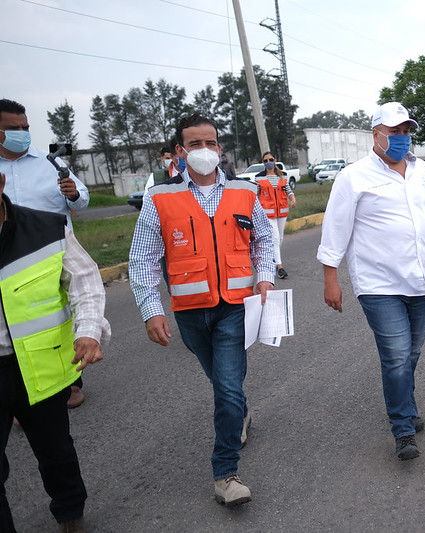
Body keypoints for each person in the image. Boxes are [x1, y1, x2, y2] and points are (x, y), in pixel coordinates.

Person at [129, 114, 275, 506]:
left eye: (210, 142)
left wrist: (265, 277)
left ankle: (225, 474)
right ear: (180, 152)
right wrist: (150, 309)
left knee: (226, 386)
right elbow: (142, 258)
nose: (204, 151)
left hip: (236, 307)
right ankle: (239, 413)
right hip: (190, 312)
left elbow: (263, 238)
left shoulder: (245, 191)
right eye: (194, 144)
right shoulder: (159, 197)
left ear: (220, 148)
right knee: (224, 384)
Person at [318, 102, 425, 460]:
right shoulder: (353, 177)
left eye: (406, 131)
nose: (401, 138)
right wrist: (330, 278)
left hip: (419, 280)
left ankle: (405, 404)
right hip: (377, 283)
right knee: (396, 355)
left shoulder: (422, 169)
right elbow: (335, 229)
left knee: (411, 352)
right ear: (375, 134)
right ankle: (403, 428)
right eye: (394, 131)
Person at [0, 171, 110, 533]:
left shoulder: (48, 228)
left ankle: (71, 514)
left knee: (56, 453)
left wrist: (89, 331)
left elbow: (85, 282)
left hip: (41, 367)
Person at [0, 98, 91, 410]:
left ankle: (70, 381)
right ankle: (20, 391)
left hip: (54, 255)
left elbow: (81, 201)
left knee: (56, 317)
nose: (23, 133)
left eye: (26, 127)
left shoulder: (47, 162)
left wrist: (75, 194)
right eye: (13, 129)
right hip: (8, 260)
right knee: (18, 323)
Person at [255, 151, 296, 279]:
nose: (268, 162)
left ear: (275, 160)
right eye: (265, 161)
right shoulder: (259, 177)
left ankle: (273, 257)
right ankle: (279, 267)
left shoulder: (282, 176)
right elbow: (255, 194)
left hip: (282, 210)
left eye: (270, 159)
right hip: (267, 212)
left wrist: (292, 198)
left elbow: (288, 189)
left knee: (281, 237)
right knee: (275, 237)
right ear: (263, 163)